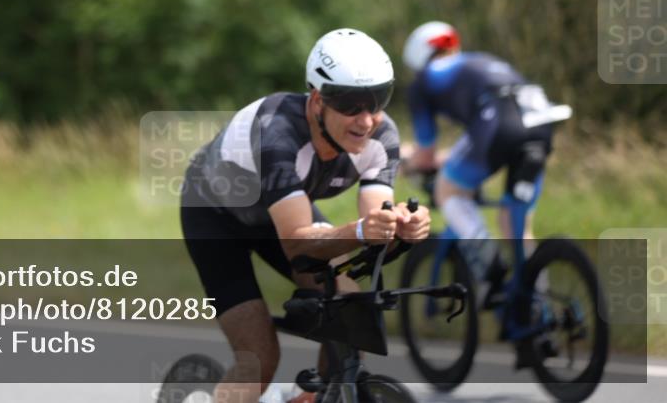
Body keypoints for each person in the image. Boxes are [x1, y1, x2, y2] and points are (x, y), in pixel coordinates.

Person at [181, 29, 431, 403]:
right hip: (215, 220)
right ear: (317, 102)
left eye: (378, 101)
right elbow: (298, 242)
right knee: (259, 359)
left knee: (350, 308)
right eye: (350, 105)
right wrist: (363, 229)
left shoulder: (382, 134)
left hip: (279, 212)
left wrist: (404, 225)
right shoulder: (276, 133)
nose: (366, 121)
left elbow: (376, 222)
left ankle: (311, 397)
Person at [401, 21, 570, 308]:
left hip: (498, 124)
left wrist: (407, 160)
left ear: (417, 57)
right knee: (516, 224)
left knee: (449, 191)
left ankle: (490, 265)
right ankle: (538, 309)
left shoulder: (423, 81)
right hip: (540, 124)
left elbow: (425, 155)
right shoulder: (481, 60)